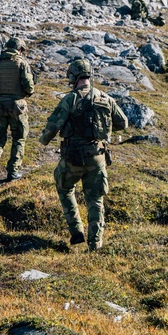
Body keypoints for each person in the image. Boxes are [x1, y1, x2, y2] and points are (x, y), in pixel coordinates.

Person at [39, 58, 128, 250]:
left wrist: (43, 140)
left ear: (73, 76)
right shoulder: (105, 98)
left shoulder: (70, 99)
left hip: (72, 157)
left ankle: (76, 230)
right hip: (97, 156)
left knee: (64, 187)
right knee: (95, 199)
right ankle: (95, 243)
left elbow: (53, 125)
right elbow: (123, 123)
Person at [0, 37, 35, 184]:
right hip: (17, 107)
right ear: (19, 49)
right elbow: (29, 86)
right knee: (18, 139)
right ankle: (13, 172)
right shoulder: (22, 63)